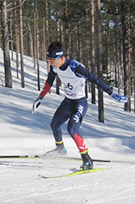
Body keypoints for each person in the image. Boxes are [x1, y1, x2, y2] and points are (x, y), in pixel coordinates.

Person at [32, 41, 127, 170]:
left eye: (52, 60)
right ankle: (60, 149)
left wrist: (111, 92)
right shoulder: (55, 67)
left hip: (80, 103)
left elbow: (94, 79)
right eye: (48, 59)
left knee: (72, 129)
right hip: (68, 102)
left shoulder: (75, 67)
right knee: (54, 124)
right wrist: (40, 97)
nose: (50, 62)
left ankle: (87, 160)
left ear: (62, 58)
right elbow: (49, 82)